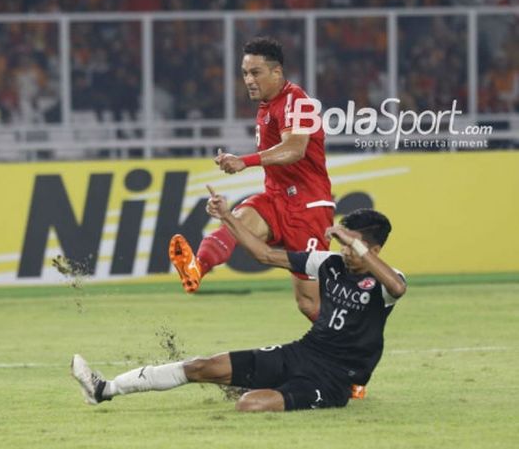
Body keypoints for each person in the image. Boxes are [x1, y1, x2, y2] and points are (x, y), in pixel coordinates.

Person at [72, 186, 406, 412]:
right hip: (302, 353)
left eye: (352, 245)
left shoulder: (385, 284)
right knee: (203, 366)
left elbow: (398, 287)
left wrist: (355, 244)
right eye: (343, 243)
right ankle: (104, 389)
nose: (344, 251)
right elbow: (263, 254)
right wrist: (228, 217)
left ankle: (266, 387)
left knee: (248, 404)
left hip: (333, 381)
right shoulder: (328, 263)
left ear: (374, 250)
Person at [169, 36, 333, 326]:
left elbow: (295, 149)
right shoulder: (267, 106)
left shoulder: (296, 100)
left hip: (309, 206)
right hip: (276, 197)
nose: (248, 80)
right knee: (235, 222)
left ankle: (345, 343)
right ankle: (196, 268)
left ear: (277, 73)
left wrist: (244, 161)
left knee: (308, 303)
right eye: (245, 73)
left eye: (255, 72)